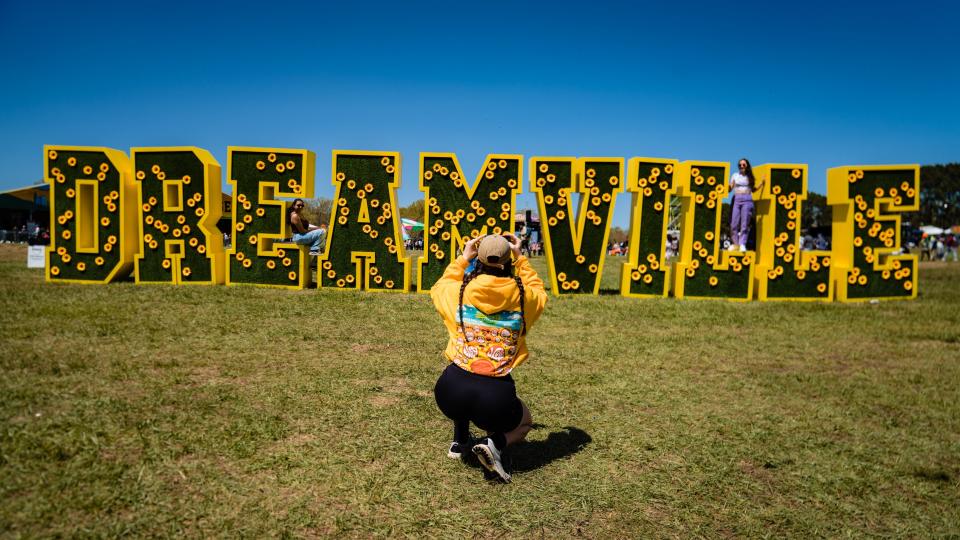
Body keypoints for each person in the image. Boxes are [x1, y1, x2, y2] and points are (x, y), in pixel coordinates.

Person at [430, 233, 548, 482]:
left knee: (465, 379)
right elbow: (539, 291)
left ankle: (460, 441)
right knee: (524, 421)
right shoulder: (524, 297)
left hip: (449, 392)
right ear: (508, 262)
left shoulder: (458, 292)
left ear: (478, 260)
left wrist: (463, 258)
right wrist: (521, 258)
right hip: (495, 398)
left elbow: (439, 287)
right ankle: (494, 443)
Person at [728, 158, 765, 252]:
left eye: (743, 165)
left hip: (747, 200)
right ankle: (736, 244)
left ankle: (742, 244)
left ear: (747, 166)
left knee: (745, 224)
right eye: (740, 165)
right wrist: (726, 185)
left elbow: (753, 190)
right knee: (733, 224)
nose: (741, 166)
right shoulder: (735, 175)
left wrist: (761, 184)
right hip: (737, 199)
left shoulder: (750, 177)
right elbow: (730, 189)